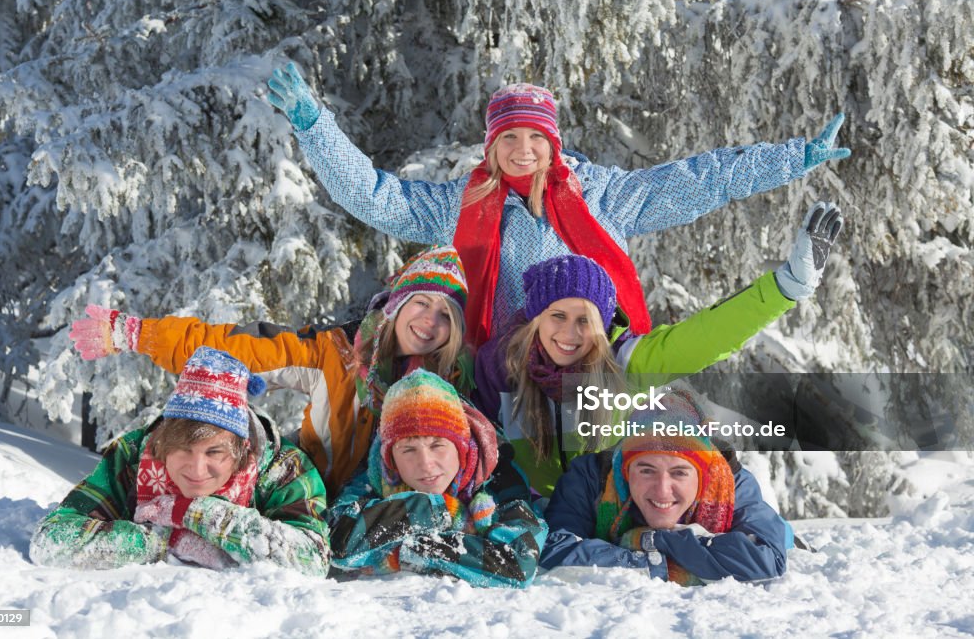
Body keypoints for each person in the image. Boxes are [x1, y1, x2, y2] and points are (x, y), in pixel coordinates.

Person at [267, 64, 851, 346]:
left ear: (553, 143)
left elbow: (703, 178)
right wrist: (315, 126)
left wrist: (793, 158)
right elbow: (376, 197)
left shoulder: (606, 198)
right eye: (509, 139)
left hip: (597, 360)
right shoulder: (461, 205)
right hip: (499, 370)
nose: (523, 151)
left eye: (535, 139)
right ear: (492, 146)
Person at [473, 201, 844, 496]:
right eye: (558, 316)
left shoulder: (624, 363)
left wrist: (785, 287)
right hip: (531, 525)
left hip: (609, 518)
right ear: (536, 318)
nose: (570, 333)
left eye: (585, 319)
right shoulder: (500, 368)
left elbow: (705, 336)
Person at [67, 246, 471, 496]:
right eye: (421, 303)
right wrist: (139, 333)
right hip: (314, 495)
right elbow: (240, 347)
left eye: (445, 315)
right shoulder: (333, 354)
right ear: (396, 306)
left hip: (389, 506)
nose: (430, 322)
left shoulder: (451, 384)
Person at [30, 346, 330, 573]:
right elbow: (50, 540)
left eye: (214, 453)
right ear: (163, 444)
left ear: (241, 451)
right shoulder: (133, 454)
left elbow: (314, 559)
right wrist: (160, 541)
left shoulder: (283, 468)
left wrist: (198, 514)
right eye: (183, 450)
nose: (197, 470)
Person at [327, 368, 547, 587]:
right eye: (408, 450)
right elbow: (340, 543)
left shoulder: (497, 476)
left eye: (437, 445)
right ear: (391, 458)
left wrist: (409, 551)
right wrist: (438, 510)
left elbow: (518, 563)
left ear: (462, 448)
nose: (426, 463)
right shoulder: (377, 474)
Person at [540, 390, 787, 585]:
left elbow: (766, 562)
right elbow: (554, 548)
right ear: (625, 470)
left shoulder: (731, 483)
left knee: (784, 535)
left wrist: (659, 539)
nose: (662, 490)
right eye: (646, 470)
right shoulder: (591, 477)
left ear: (703, 476)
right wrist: (650, 562)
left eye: (679, 472)